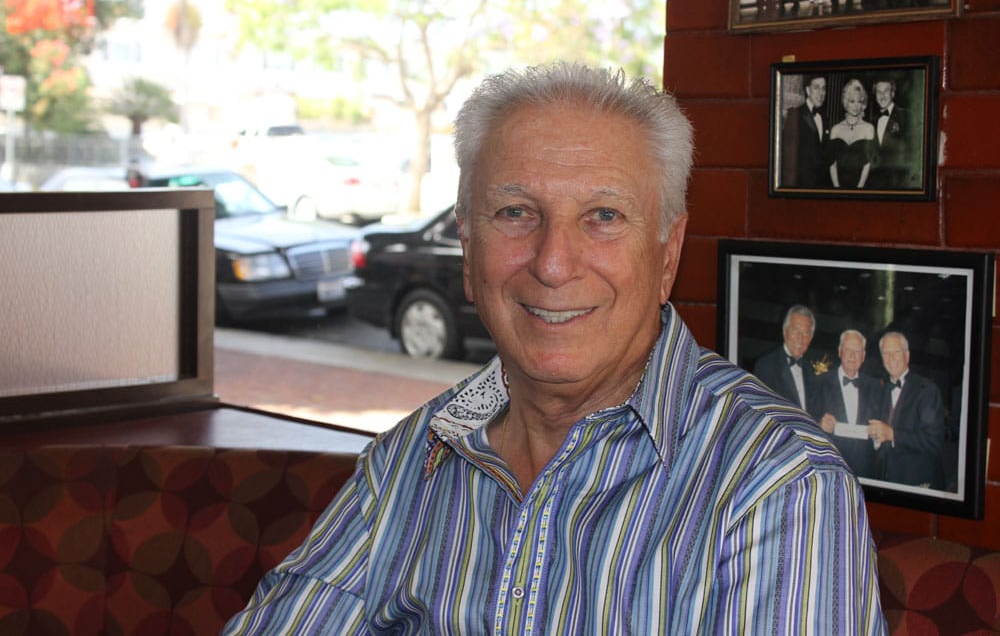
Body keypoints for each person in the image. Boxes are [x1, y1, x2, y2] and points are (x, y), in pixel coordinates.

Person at [223, 62, 885, 634]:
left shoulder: (781, 485)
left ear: (667, 254)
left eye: (603, 216)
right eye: (516, 212)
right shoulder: (412, 454)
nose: (553, 262)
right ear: (467, 246)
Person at [869, 331, 946, 488]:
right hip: (885, 480)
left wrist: (892, 434)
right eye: (886, 353)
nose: (891, 358)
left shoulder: (926, 389)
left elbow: (934, 442)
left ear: (907, 355)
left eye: (896, 352)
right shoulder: (880, 390)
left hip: (917, 482)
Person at [815, 329, 880, 479]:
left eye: (857, 351)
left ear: (863, 356)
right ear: (840, 351)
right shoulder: (819, 383)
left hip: (864, 472)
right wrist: (819, 424)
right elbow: (805, 423)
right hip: (829, 468)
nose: (852, 356)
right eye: (848, 350)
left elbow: (880, 433)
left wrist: (877, 438)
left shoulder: (876, 387)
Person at [752, 304, 821, 413]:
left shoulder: (811, 372)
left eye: (806, 333)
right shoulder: (766, 366)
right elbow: (761, 412)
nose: (800, 338)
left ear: (811, 338)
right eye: (795, 330)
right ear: (785, 331)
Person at [781, 75, 830, 188]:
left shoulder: (824, 118)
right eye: (816, 87)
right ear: (808, 90)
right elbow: (789, 158)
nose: (821, 93)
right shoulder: (795, 115)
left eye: (823, 88)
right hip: (801, 185)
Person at [828, 79, 876, 189]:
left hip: (862, 186)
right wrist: (837, 188)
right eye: (852, 101)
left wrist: (859, 188)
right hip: (837, 186)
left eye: (859, 101)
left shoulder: (868, 128)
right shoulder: (836, 129)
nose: (856, 106)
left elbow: (867, 164)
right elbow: (832, 163)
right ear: (845, 102)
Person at [868, 79, 915, 189]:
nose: (882, 95)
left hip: (899, 175)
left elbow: (910, 145)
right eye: (879, 92)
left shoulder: (906, 115)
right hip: (877, 177)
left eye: (886, 91)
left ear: (893, 93)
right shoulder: (872, 121)